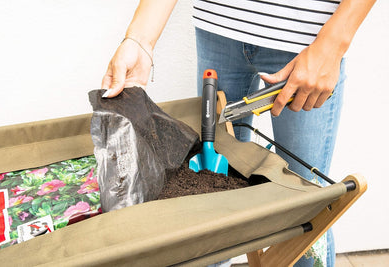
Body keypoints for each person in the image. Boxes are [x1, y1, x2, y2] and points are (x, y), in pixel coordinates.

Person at [101, 1, 376, 266]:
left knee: (307, 206)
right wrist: (140, 40)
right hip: (219, 27)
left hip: (307, 38)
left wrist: (331, 45)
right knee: (211, 202)